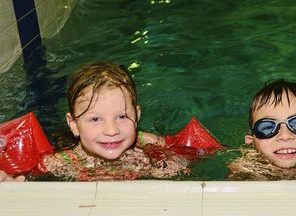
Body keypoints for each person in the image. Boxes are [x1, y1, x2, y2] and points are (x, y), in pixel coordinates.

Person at [1, 62, 189, 181]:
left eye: (122, 116)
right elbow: (24, 178)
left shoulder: (147, 142)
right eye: (95, 119)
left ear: (137, 117)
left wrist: (173, 163)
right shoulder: (61, 163)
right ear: (74, 125)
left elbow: (184, 156)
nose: (111, 130)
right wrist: (10, 181)